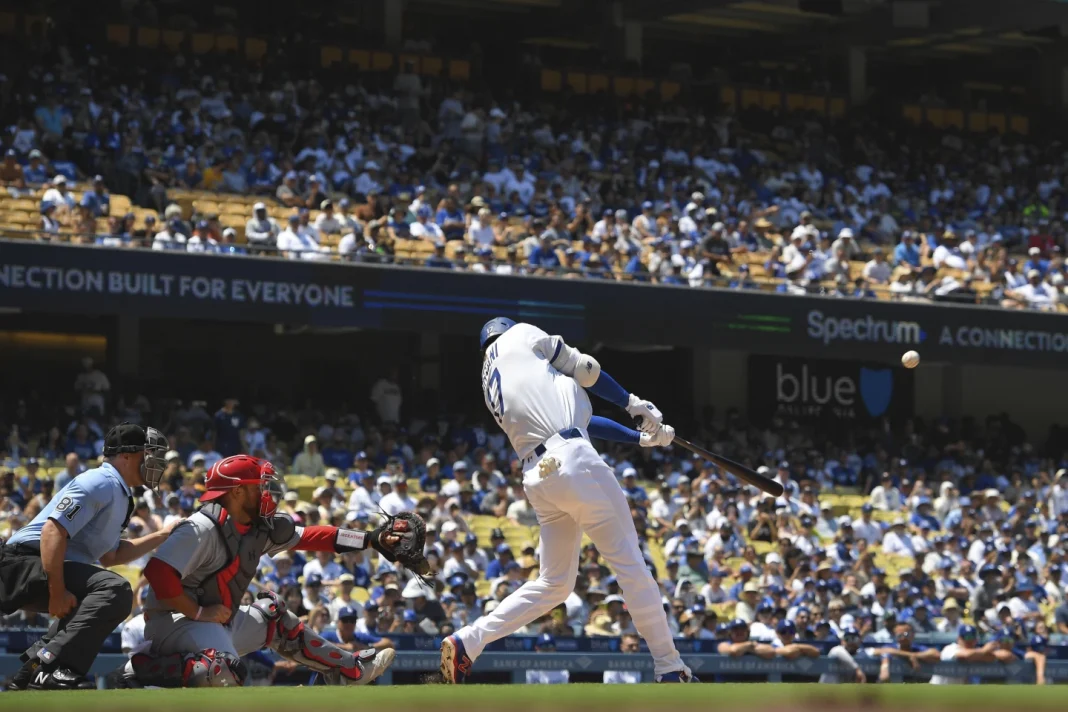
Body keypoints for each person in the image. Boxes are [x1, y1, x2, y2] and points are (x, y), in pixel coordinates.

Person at [440, 318, 691, 684]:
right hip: (571, 458)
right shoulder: (520, 333)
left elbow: (583, 424)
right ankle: (670, 667)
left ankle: (469, 640)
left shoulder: (493, 376)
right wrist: (633, 402)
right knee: (632, 565)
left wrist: (641, 438)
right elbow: (586, 369)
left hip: (540, 475)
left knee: (555, 583)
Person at [124, 455, 402, 687]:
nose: (266, 491)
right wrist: (197, 612)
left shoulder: (255, 525)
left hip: (217, 621)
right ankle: (142, 669)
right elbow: (158, 573)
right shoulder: (200, 527)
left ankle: (347, 670)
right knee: (223, 671)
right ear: (236, 492)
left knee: (274, 617)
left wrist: (370, 539)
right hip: (174, 625)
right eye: (259, 485)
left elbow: (310, 536)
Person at [1, 423, 172, 690]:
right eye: (148, 455)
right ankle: (56, 669)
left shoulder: (121, 494)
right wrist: (56, 591)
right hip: (21, 563)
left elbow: (111, 556)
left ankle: (30, 674)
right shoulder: (100, 481)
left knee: (91, 604)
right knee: (114, 591)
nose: (155, 463)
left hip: (42, 564)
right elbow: (52, 532)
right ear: (126, 456)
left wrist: (162, 536)